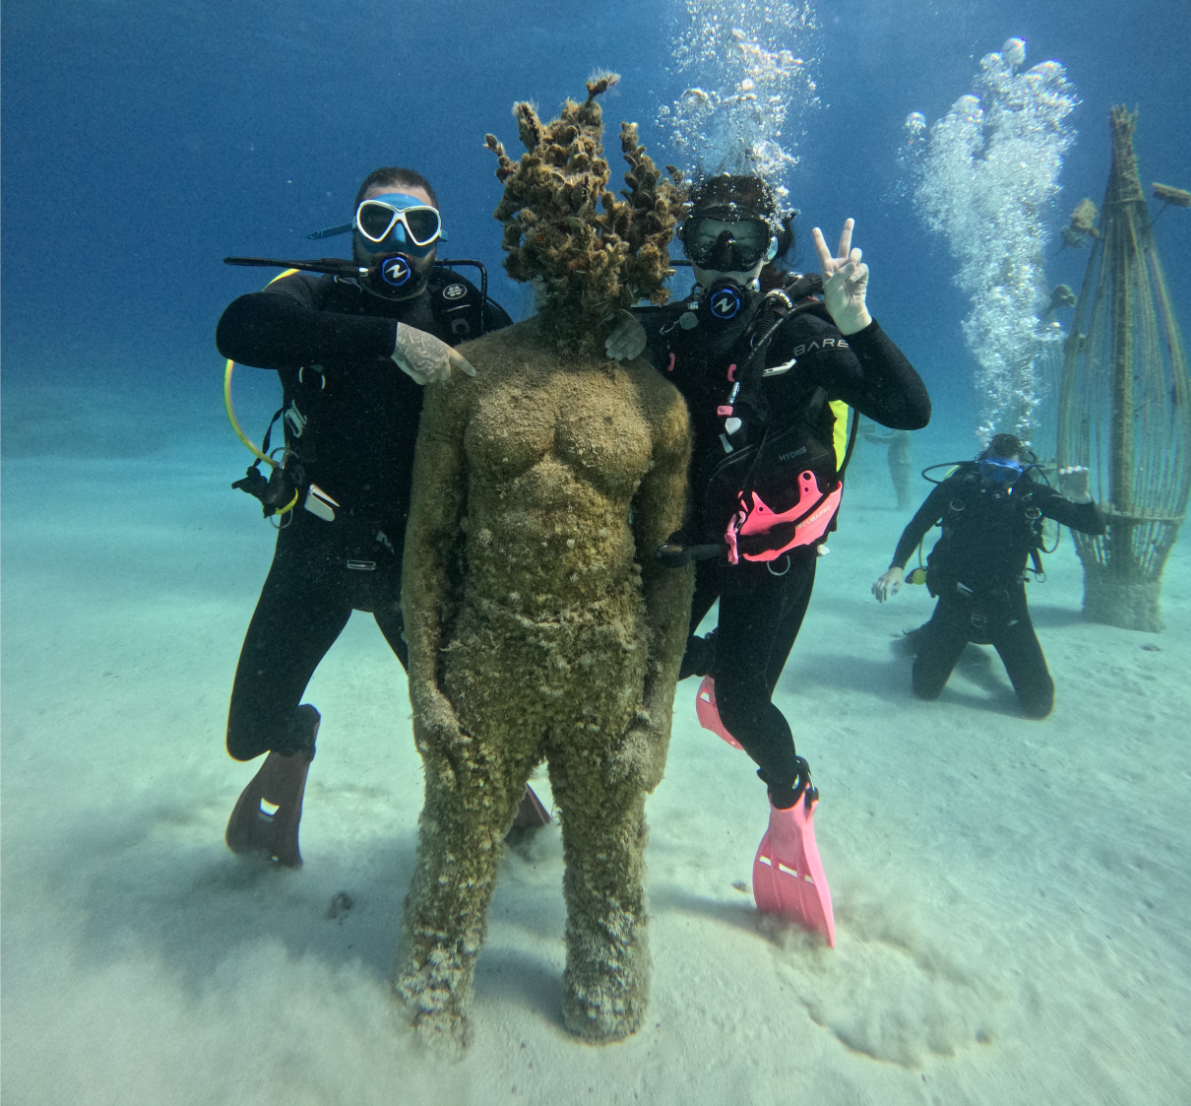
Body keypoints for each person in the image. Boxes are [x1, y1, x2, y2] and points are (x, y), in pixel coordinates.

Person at [396, 82, 692, 1047]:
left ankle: (605, 982)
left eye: (593, 235)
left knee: (612, 867)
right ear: (527, 237)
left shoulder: (655, 402)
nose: (574, 260)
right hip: (489, 653)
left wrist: (657, 715)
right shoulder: (468, 376)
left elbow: (671, 565)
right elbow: (427, 539)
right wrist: (424, 686)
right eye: (555, 232)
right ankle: (432, 992)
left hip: (608, 656)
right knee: (453, 852)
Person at [215, 166, 513, 866]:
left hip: (421, 564)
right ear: (353, 232)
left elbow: (546, 368)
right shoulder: (317, 294)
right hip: (315, 553)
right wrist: (386, 338)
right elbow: (240, 327)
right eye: (379, 223)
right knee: (246, 730)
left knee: (474, 729)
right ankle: (294, 742)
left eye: (418, 226)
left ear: (439, 241)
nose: (397, 242)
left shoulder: (464, 313)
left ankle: (511, 794)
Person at [637, 175, 930, 866]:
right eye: (709, 239)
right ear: (689, 249)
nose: (728, 257)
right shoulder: (672, 330)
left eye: (749, 242)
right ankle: (707, 658)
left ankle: (792, 791)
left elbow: (909, 409)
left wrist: (855, 320)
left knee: (742, 705)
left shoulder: (801, 330)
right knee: (644, 661)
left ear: (772, 248)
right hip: (703, 544)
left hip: (777, 555)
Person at [872, 433, 1108, 717]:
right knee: (924, 690)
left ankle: (953, 640)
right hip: (956, 599)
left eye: (1007, 473)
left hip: (1007, 604)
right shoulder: (957, 488)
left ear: (1019, 471)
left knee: (1039, 706)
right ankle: (931, 633)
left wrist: (1082, 498)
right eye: (990, 469)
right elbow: (917, 525)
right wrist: (896, 566)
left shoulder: (1031, 495)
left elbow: (1093, 526)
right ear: (980, 462)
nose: (997, 479)